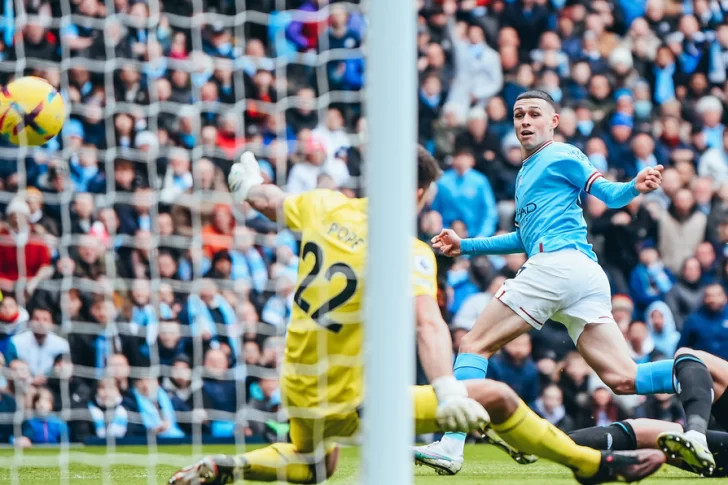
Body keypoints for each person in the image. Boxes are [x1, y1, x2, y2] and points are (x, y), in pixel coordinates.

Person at [167, 150, 665, 484]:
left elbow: (268, 200)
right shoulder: (408, 252)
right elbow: (428, 325)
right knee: (495, 396)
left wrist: (246, 182)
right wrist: (447, 389)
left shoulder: (323, 207)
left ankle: (229, 465)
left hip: (300, 378)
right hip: (359, 391)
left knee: (316, 464)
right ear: (422, 194)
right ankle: (591, 466)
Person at [415, 90, 714, 476]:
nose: (524, 120)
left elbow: (607, 193)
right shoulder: (527, 172)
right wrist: (465, 245)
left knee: (474, 344)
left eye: (534, 114)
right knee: (625, 378)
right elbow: (521, 238)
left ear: (553, 121)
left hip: (556, 265)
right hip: (582, 274)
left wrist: (634, 187)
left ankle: (451, 446)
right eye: (518, 114)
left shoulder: (561, 153)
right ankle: (690, 373)